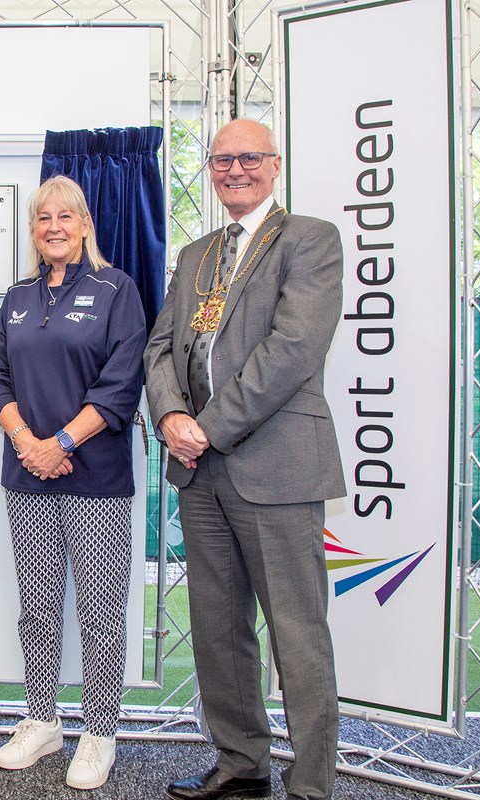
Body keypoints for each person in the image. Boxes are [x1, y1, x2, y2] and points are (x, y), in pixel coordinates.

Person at [143, 119, 345, 800]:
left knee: (298, 636)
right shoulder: (197, 253)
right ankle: (241, 764)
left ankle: (312, 784)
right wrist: (171, 415)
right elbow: (161, 347)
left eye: (248, 157)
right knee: (217, 629)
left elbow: (291, 351)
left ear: (274, 164)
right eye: (222, 159)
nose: (234, 169)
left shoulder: (310, 240)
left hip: (276, 465)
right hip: (201, 472)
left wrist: (206, 426)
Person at [0, 174, 146, 791]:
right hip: (27, 477)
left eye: (65, 216)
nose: (54, 226)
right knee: (38, 608)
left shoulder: (116, 289)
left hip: (95, 478)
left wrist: (63, 443)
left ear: (84, 226)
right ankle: (43, 718)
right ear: (33, 229)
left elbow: (121, 383)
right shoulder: (18, 296)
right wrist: (28, 444)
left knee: (100, 609)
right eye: (43, 217)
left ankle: (100, 730)